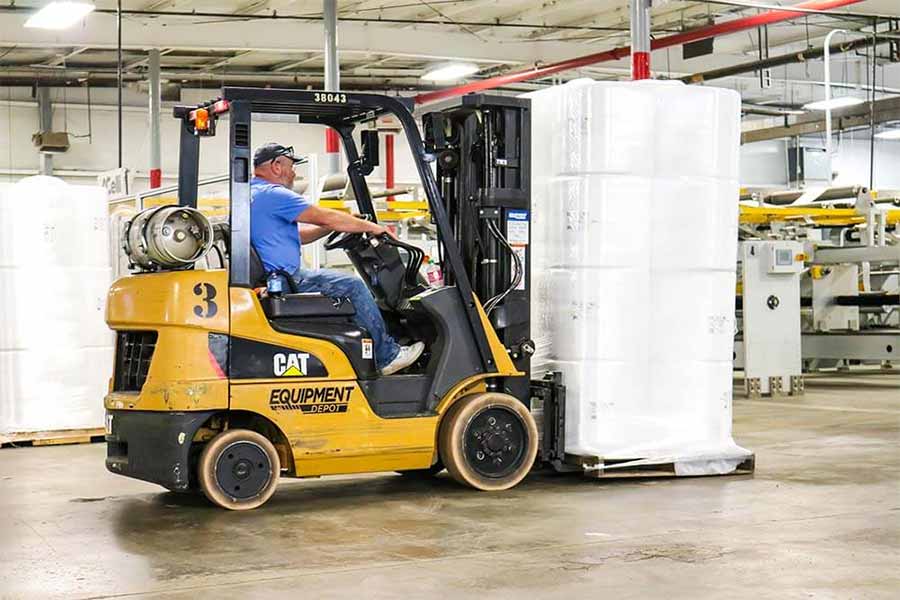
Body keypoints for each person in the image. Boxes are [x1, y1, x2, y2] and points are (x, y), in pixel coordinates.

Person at [249, 143, 424, 376]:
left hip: (276, 278)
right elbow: (324, 216)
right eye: (291, 167)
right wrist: (373, 228)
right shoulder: (274, 194)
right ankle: (387, 357)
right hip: (287, 280)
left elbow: (298, 235)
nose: (294, 173)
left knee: (347, 288)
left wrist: (333, 227)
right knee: (353, 287)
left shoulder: (252, 194)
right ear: (276, 165)